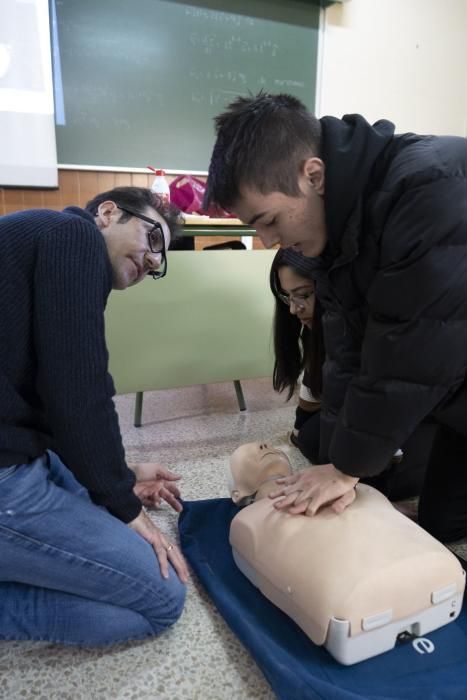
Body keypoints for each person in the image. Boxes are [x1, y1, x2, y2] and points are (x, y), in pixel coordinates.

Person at [204, 92, 467, 541]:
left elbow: (410, 347)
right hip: (448, 358)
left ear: (314, 174)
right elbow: (346, 351)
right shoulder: (339, 223)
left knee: (438, 529)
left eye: (268, 221)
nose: (268, 241)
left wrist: (346, 468)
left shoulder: (428, 185)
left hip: (445, 355)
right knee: (434, 524)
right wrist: (334, 461)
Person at [0, 186, 189, 646]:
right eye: (153, 241)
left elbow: (58, 395)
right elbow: (78, 390)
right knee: (163, 600)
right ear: (106, 213)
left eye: (159, 262)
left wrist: (118, 474)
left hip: (15, 448)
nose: (152, 262)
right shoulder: (73, 234)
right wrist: (121, 501)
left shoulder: (40, 239)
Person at [270, 247, 434, 502]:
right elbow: (306, 421)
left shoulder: (368, 325)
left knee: (370, 475)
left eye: (303, 295)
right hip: (371, 414)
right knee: (315, 439)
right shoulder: (317, 328)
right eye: (287, 296)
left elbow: (391, 404)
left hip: (420, 418)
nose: (293, 309)